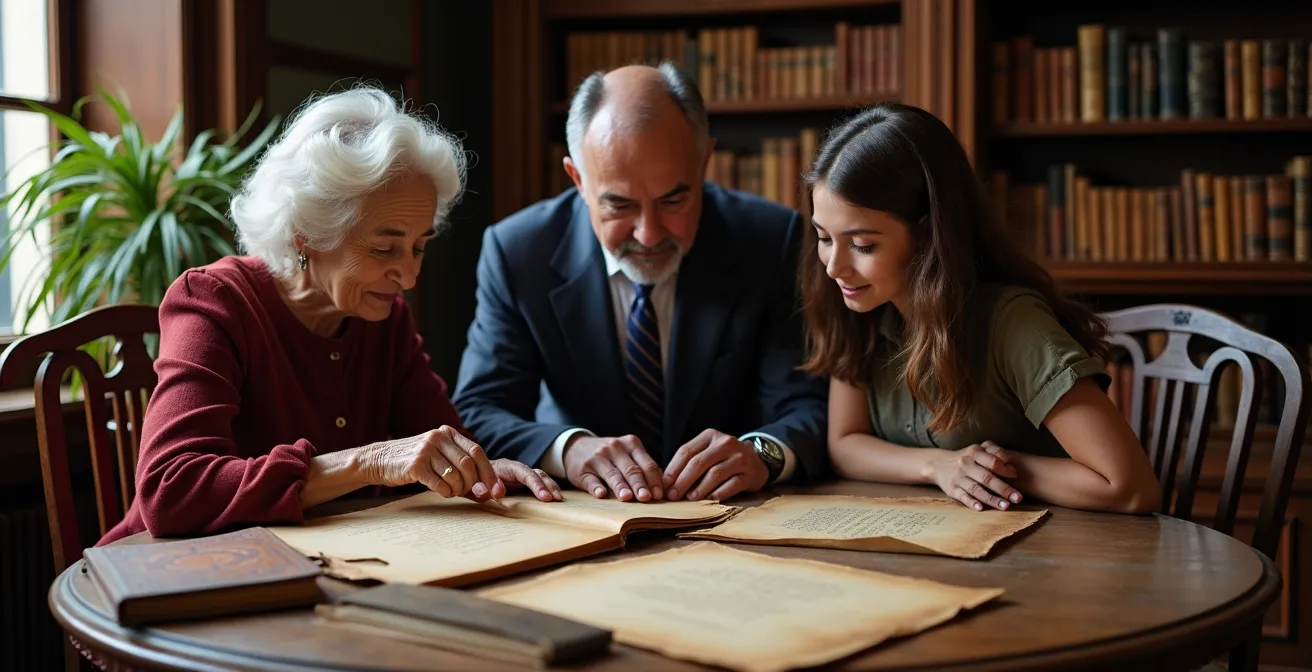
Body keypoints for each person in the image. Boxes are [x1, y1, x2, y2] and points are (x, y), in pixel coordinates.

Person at [99, 87, 561, 546]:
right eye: (385, 247)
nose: (409, 275)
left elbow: (438, 440)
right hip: (173, 579)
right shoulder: (214, 301)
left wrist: (477, 470)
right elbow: (171, 491)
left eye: (419, 247)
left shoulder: (382, 315)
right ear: (307, 234)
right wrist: (371, 462)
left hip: (309, 569)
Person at [453, 63, 828, 503]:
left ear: (705, 162)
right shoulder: (519, 252)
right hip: (582, 512)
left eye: (674, 199)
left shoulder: (772, 239)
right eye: (619, 204)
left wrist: (760, 454)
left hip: (733, 510)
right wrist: (568, 448)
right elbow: (479, 410)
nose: (648, 234)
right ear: (578, 180)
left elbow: (810, 403)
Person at [801, 102, 1160, 514]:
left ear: (929, 235)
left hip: (1057, 556)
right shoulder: (859, 303)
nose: (833, 267)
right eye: (824, 237)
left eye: (863, 245)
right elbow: (844, 444)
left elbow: (1130, 487)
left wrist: (998, 468)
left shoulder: (1014, 324)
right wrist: (939, 466)